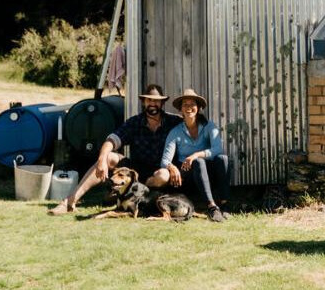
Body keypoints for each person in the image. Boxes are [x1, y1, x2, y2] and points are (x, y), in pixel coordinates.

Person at [48, 84, 182, 215]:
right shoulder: (134, 122)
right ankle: (69, 201)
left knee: (163, 176)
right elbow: (111, 140)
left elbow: (193, 124)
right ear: (143, 102)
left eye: (156, 101)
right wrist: (101, 160)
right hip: (135, 169)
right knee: (109, 156)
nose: (153, 103)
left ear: (162, 103)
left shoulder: (173, 121)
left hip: (159, 170)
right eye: (149, 100)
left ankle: (128, 192)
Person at [161, 88, 230, 223]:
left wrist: (196, 154)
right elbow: (165, 160)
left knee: (223, 159)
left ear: (198, 108)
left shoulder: (209, 126)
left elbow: (218, 149)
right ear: (181, 109)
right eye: (185, 105)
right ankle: (211, 207)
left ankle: (225, 204)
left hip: (208, 173)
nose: (189, 107)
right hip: (188, 176)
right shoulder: (175, 132)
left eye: (192, 104)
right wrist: (171, 167)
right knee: (198, 162)